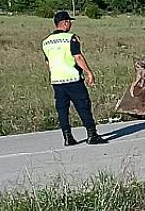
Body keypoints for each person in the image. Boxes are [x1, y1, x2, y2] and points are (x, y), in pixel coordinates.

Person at [42, 11, 108, 146]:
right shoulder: (70, 38)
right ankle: (92, 135)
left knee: (62, 110)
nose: (70, 24)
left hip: (57, 80)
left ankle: (67, 137)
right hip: (72, 78)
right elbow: (77, 57)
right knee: (83, 106)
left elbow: (48, 63)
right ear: (65, 23)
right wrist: (89, 72)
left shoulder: (46, 42)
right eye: (69, 21)